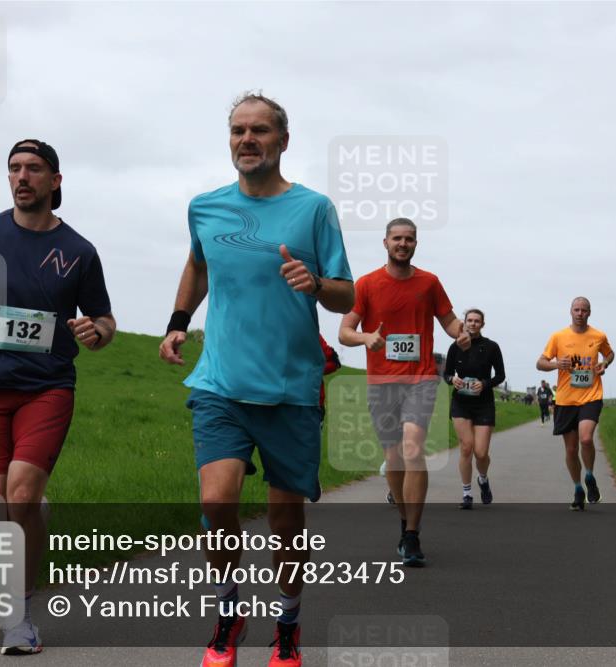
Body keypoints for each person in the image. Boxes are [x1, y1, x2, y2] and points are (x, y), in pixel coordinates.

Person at [159, 93, 353, 667]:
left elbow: (347, 292)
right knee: (216, 501)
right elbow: (198, 263)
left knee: (285, 521)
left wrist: (315, 283)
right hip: (219, 382)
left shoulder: (313, 209)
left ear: (283, 141)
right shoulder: (205, 208)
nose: (248, 140)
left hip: (291, 388)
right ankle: (228, 609)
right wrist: (177, 323)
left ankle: (288, 622)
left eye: (260, 130)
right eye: (239, 130)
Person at [0, 139, 116, 655]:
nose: (22, 177)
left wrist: (96, 333)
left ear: (55, 181)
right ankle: (35, 516)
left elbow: (105, 321)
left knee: (19, 493)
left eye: (34, 169)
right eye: (14, 168)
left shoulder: (80, 251)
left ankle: (19, 613)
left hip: (48, 387)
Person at [339, 218, 470, 567]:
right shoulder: (366, 284)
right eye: (397, 238)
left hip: (420, 379)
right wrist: (366, 338)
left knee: (413, 446)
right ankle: (402, 520)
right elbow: (344, 331)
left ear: (416, 244)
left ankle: (412, 534)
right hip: (381, 383)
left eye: (409, 239)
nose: (403, 244)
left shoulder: (429, 283)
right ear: (385, 243)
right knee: (394, 457)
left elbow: (448, 320)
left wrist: (460, 332)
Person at [536, 297, 615, 511]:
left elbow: (610, 354)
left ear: (589, 313)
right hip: (565, 399)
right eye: (576, 309)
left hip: (591, 396)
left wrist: (604, 363)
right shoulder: (558, 337)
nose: (580, 313)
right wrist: (555, 364)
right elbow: (539, 363)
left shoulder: (598, 336)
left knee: (586, 438)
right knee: (571, 450)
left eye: (584, 310)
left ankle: (589, 475)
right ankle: (578, 488)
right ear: (570, 311)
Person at [442, 308, 505, 509]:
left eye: (477, 321)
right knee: (466, 447)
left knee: (480, 453)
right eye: (469, 320)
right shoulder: (455, 347)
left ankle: (483, 479)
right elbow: (446, 374)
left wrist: (485, 384)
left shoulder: (492, 347)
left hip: (483, 403)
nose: (473, 324)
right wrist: (453, 379)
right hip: (461, 402)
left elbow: (500, 375)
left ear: (482, 324)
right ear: (464, 323)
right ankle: (467, 493)